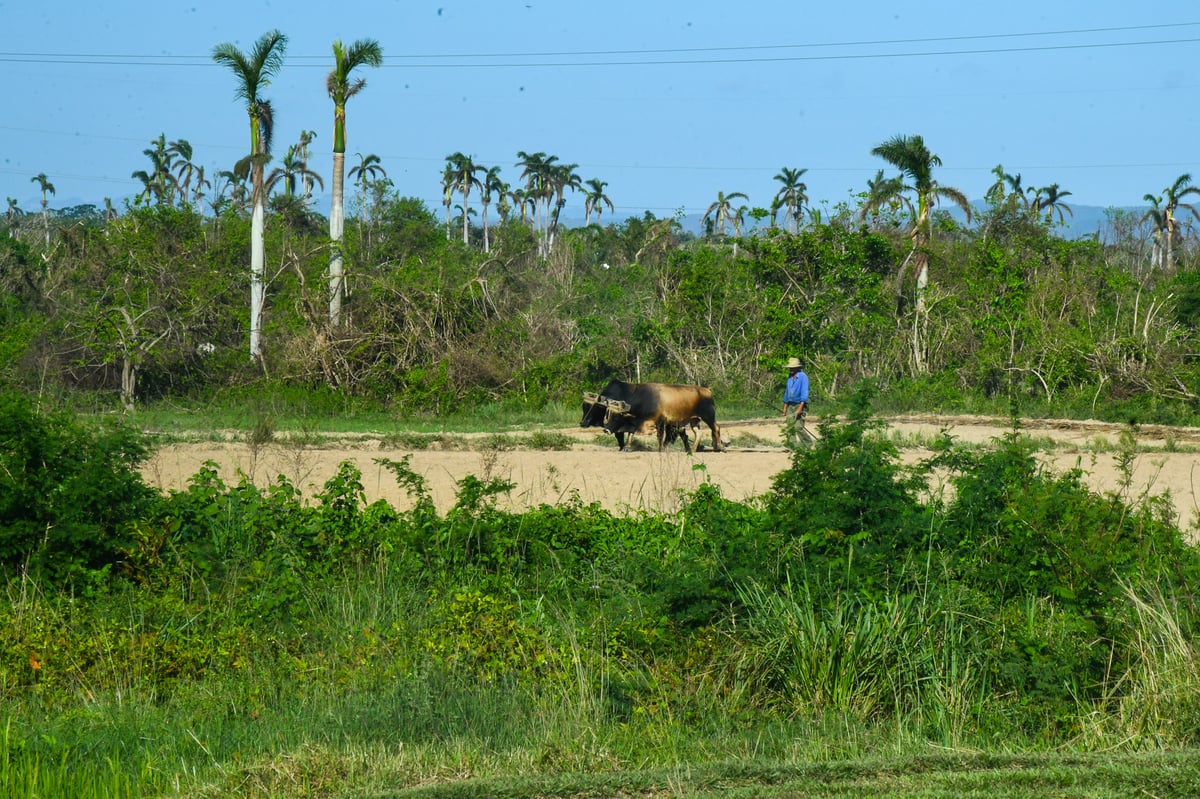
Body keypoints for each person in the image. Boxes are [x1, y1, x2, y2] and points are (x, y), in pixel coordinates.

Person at [782, 356, 809, 445]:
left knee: (798, 427)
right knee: (790, 427)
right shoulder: (790, 377)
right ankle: (792, 446)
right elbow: (787, 392)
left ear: (797, 368)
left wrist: (800, 408)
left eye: (793, 368)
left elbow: (804, 393)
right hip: (790, 404)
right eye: (790, 368)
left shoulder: (803, 377)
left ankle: (808, 444)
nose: (791, 369)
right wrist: (785, 407)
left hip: (799, 404)